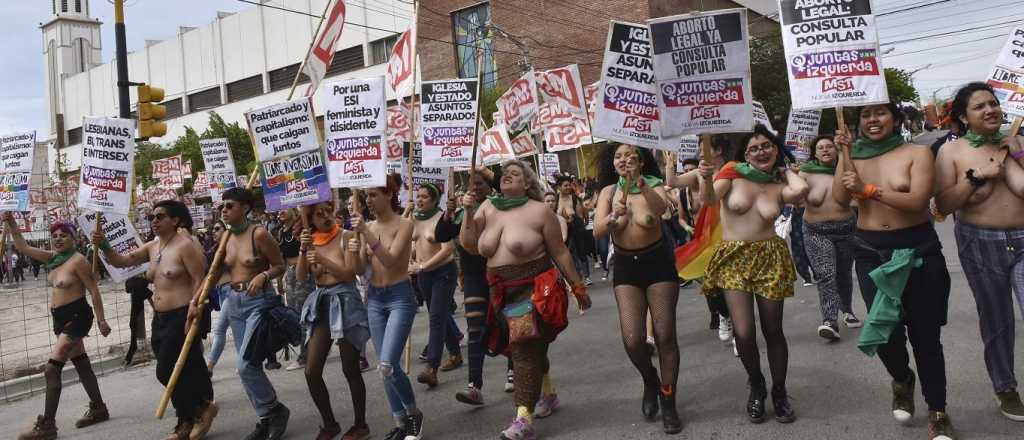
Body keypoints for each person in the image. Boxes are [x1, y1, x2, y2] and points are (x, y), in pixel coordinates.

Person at [833, 102, 954, 439]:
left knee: (925, 336)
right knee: (885, 331)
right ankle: (902, 378)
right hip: (871, 252)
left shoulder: (917, 153)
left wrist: (868, 190)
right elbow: (841, 201)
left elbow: (918, 202)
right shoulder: (852, 154)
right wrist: (844, 155)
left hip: (918, 249)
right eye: (866, 115)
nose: (873, 120)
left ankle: (938, 411)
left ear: (897, 119)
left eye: (880, 113)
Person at [460, 160, 591, 440]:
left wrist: (577, 286)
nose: (507, 175)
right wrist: (468, 212)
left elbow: (561, 252)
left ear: (527, 183)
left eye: (515, 173)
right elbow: (469, 245)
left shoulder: (540, 211)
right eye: (505, 173)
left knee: (524, 347)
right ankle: (549, 394)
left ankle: (523, 419)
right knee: (525, 347)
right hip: (498, 290)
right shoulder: (487, 206)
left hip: (533, 287)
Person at [697, 125, 808, 424]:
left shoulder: (777, 184)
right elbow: (706, 201)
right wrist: (707, 177)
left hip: (769, 257)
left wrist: (786, 170)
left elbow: (800, 193)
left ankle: (780, 392)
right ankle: (756, 384)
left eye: (767, 145)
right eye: (754, 148)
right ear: (745, 154)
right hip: (734, 258)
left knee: (773, 330)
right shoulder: (732, 176)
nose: (762, 151)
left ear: (776, 149)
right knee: (744, 332)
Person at [935, 82, 1024, 422]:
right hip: (980, 243)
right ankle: (1006, 387)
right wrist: (976, 177)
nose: (990, 110)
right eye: (979, 107)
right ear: (963, 116)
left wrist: (1014, 154)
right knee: (997, 320)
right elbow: (942, 205)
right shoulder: (951, 152)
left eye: (993, 103)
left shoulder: (1018, 141)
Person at [93, 200, 216, 440]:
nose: (154, 221)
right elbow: (122, 261)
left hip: (181, 315)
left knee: (166, 371)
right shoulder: (153, 246)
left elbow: (200, 280)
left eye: (160, 216)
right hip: (159, 319)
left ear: (176, 220)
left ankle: (197, 410)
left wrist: (194, 308)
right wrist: (104, 245)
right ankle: (188, 418)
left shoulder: (186, 246)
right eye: (152, 217)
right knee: (181, 369)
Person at [593, 143, 682, 433]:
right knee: (633, 340)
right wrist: (611, 217)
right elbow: (597, 231)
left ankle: (668, 401)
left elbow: (661, 213)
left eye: (630, 155)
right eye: (618, 156)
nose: (623, 160)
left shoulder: (655, 186)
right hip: (626, 268)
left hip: (658, 265)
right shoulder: (608, 192)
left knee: (665, 335)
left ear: (641, 161)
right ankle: (650, 381)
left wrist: (641, 186)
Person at [11, 217, 112, 440]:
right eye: (54, 236)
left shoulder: (78, 262)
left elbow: (94, 291)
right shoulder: (53, 258)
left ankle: (48, 426)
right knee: (82, 364)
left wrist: (101, 320)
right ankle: (99, 408)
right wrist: (11, 223)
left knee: (51, 369)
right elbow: (21, 246)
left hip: (77, 317)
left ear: (74, 239)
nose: (58, 239)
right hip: (59, 319)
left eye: (63, 235)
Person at [351, 173, 424, 440]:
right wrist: (354, 248)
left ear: (389, 195)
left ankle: (414, 414)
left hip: (399, 297)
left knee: (387, 364)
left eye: (373, 194)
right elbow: (359, 270)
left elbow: (392, 260)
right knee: (385, 371)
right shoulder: (365, 225)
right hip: (374, 299)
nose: (368, 200)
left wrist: (366, 234)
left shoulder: (405, 224)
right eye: (366, 195)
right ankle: (400, 421)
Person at [435, 169, 515, 405]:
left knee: (509, 324)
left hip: (502, 274)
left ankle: (513, 370)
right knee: (476, 330)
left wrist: (485, 169)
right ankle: (474, 386)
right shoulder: (461, 213)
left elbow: (503, 176)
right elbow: (441, 234)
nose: (475, 187)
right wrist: (449, 211)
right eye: (471, 184)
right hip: (473, 278)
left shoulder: (501, 206)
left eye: (480, 183)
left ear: (491, 185)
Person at [216, 188, 290, 440]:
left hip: (258, 302)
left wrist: (263, 274)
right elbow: (222, 270)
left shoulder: (259, 234)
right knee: (249, 367)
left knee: (244, 364)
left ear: (245, 208)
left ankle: (275, 409)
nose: (224, 210)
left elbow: (280, 265)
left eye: (229, 205)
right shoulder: (225, 237)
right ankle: (265, 418)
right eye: (222, 206)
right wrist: (198, 298)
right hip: (234, 301)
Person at [296, 199, 372, 440]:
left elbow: (350, 273)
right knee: (311, 370)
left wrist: (320, 257)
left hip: (346, 301)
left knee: (350, 368)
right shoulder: (310, 242)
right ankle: (330, 424)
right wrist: (303, 250)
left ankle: (360, 425)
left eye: (329, 211)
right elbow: (300, 277)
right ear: (311, 219)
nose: (326, 216)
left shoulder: (347, 236)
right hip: (322, 304)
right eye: (319, 214)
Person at [666, 141, 733, 340]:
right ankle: (724, 315)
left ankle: (739, 329)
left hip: (730, 233)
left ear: (719, 149)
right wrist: (669, 163)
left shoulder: (732, 170)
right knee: (712, 282)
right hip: (707, 236)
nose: (700, 152)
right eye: (699, 148)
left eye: (705, 148)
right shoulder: (698, 174)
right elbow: (673, 182)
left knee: (734, 281)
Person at [798, 135, 861, 341]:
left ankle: (848, 311)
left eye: (829, 147)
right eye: (820, 147)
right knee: (826, 274)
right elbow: (795, 199)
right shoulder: (805, 173)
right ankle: (829, 320)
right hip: (816, 231)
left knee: (843, 273)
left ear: (836, 151)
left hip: (846, 229)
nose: (825, 150)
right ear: (814, 153)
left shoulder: (847, 170)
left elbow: (858, 197)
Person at [412, 182, 463, 388]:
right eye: (418, 196)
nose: (419, 200)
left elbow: (447, 250)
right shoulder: (414, 219)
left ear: (434, 200)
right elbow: (411, 243)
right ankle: (456, 354)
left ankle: (431, 368)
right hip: (424, 276)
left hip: (443, 273)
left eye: (424, 197)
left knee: (436, 318)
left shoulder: (442, 219)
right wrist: (411, 262)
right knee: (440, 314)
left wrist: (423, 266)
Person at [276, 209, 315, 372]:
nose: (280, 212)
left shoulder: (302, 228)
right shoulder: (280, 232)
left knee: (303, 315)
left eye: (284, 209)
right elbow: (281, 258)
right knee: (293, 314)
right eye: (279, 211)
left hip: (304, 274)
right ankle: (312, 347)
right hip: (290, 276)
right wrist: (280, 280)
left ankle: (305, 356)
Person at [204, 221, 232, 373]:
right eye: (211, 229)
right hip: (220, 291)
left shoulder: (232, 247)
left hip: (232, 291)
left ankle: (209, 367)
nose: (213, 232)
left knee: (220, 329)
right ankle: (248, 362)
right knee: (236, 328)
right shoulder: (214, 249)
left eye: (217, 229)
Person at [554, 174, 591, 286]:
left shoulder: (574, 198)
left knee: (581, 251)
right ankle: (574, 276)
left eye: (569, 185)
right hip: (561, 228)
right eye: (565, 185)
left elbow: (580, 214)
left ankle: (586, 276)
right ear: (559, 187)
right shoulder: (555, 199)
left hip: (576, 226)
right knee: (567, 253)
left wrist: (577, 221)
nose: (568, 187)